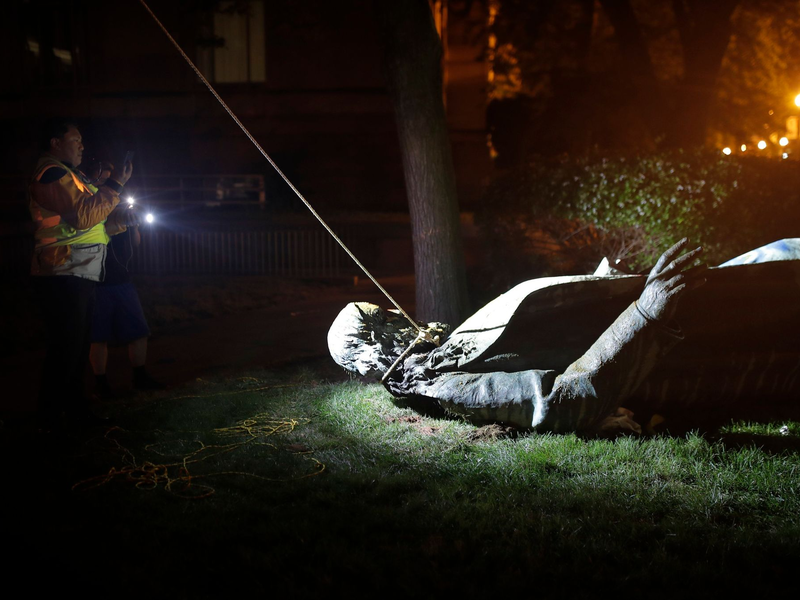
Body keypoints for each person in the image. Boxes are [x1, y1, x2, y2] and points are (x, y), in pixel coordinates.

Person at [328, 239, 800, 435]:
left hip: (687, 328)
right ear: (373, 342)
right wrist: (644, 313)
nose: (398, 314)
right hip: (687, 351)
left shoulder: (438, 355)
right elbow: (556, 400)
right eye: (384, 317)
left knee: (779, 255)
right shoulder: (438, 380)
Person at [29, 119, 133, 426]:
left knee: (76, 348)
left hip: (77, 271)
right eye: (76, 140)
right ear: (55, 143)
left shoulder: (70, 176)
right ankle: (50, 417)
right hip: (62, 271)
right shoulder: (51, 173)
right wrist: (115, 185)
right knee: (66, 348)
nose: (82, 146)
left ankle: (74, 410)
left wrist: (124, 222)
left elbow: (94, 225)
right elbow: (83, 217)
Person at [89, 203, 164, 398]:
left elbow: (135, 244)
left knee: (139, 332)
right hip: (97, 282)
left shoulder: (123, 211)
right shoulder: (94, 208)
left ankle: (140, 377)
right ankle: (101, 383)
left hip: (123, 280)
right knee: (98, 337)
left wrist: (134, 225)